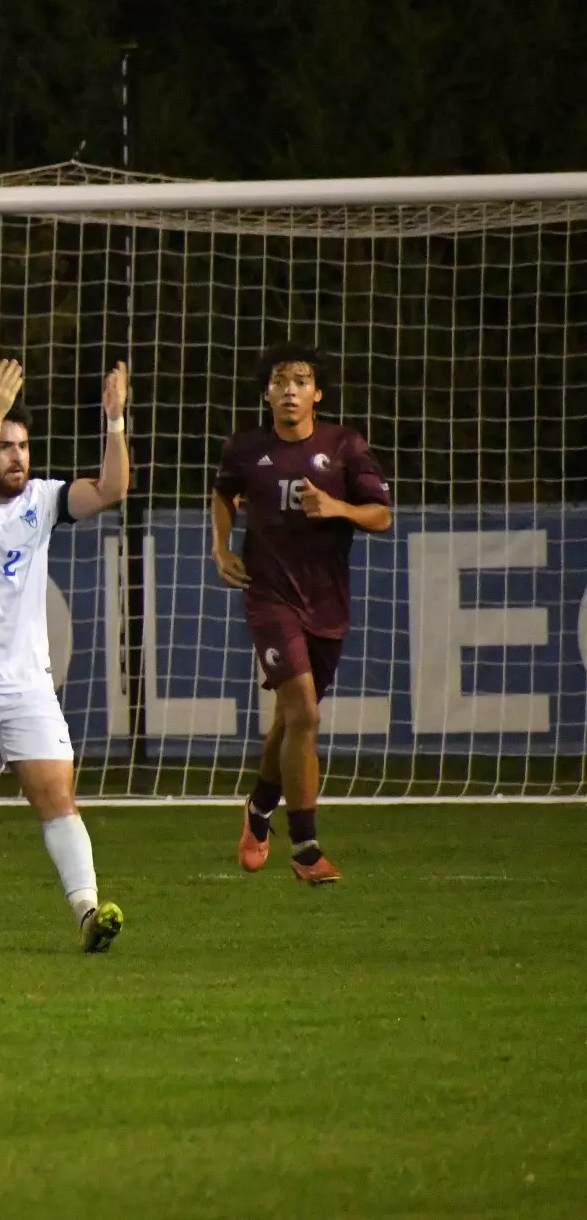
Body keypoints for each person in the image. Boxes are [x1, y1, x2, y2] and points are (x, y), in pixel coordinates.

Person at [0, 359, 129, 953]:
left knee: (57, 795)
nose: (17, 456)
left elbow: (112, 490)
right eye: (5, 444)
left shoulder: (45, 500)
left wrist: (114, 422)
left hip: (26, 687)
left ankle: (88, 911)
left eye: (23, 445)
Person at [213, 344, 391, 885]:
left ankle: (260, 809)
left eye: (301, 379)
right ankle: (307, 848)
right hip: (269, 598)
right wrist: (222, 549)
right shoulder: (246, 450)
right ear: (267, 393)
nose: (289, 388)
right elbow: (223, 494)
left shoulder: (344, 446)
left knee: (291, 720)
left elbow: (381, 515)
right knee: (306, 717)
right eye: (279, 380)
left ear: (317, 392)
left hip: (328, 603)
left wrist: (338, 508)